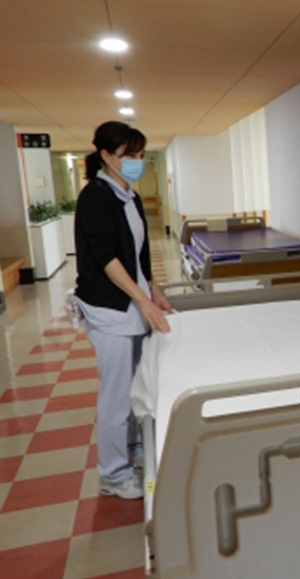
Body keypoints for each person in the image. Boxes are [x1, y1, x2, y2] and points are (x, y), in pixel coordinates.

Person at [75, 121, 173, 499]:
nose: (137, 161)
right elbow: (107, 258)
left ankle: (132, 450)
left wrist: (154, 290)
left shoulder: (128, 195)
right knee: (116, 396)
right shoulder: (96, 197)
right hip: (110, 308)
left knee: (137, 386)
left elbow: (139, 254)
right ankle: (113, 475)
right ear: (105, 155)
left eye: (140, 154)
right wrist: (141, 299)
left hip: (132, 304)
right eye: (128, 155)